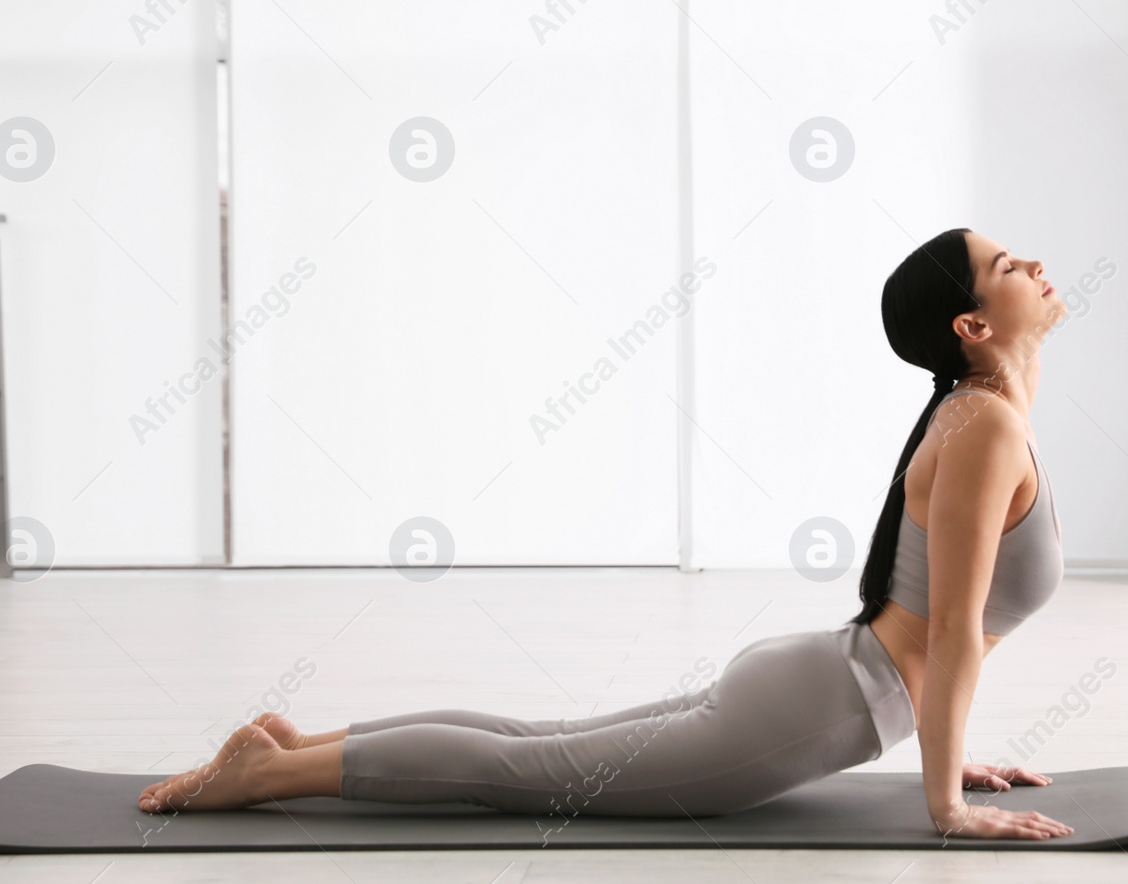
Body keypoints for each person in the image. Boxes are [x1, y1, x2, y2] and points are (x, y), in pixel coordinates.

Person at [138, 227, 1075, 841]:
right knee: (526, 769)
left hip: (821, 683)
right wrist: (945, 803)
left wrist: (951, 754)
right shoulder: (986, 423)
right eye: (1006, 265)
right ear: (973, 324)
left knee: (534, 741)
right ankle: (269, 773)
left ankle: (293, 746)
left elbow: (946, 628)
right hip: (819, 704)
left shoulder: (980, 416)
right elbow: (950, 630)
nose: (1032, 263)